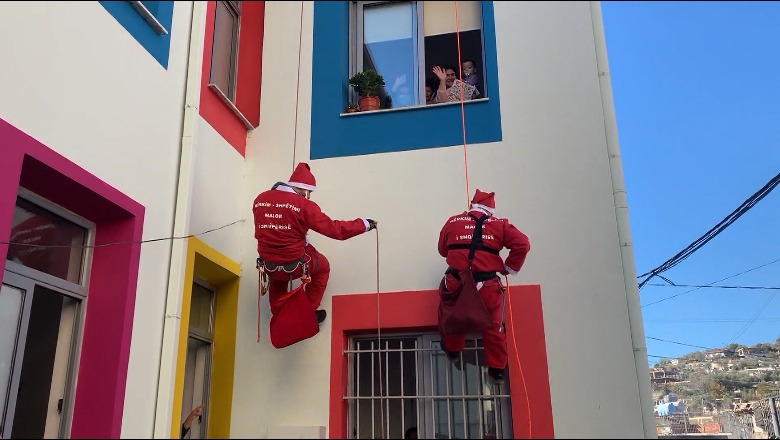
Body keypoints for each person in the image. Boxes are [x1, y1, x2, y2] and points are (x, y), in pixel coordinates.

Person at [253, 162, 377, 325]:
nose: (309, 195)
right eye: (309, 192)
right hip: (294, 263)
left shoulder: (260, 199)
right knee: (323, 266)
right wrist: (364, 224)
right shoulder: (303, 205)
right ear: (304, 189)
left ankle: (278, 315)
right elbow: (335, 230)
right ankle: (308, 313)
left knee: (278, 278)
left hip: (268, 264)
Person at [437, 189, 530, 384]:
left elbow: (442, 250)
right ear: (490, 210)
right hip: (487, 285)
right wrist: (509, 268)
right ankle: (497, 370)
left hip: (457, 281)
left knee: (452, 316)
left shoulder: (453, 221)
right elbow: (522, 244)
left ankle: (453, 350)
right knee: (493, 325)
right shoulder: (500, 224)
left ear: (472, 205)